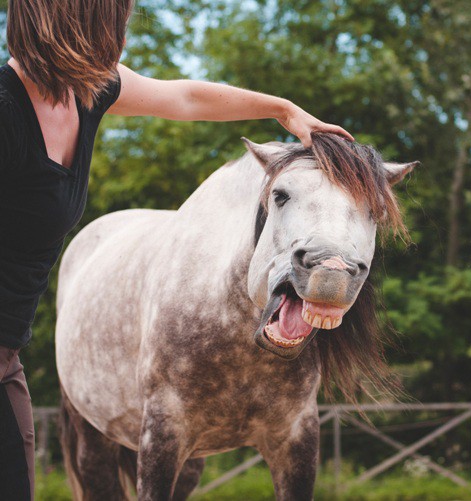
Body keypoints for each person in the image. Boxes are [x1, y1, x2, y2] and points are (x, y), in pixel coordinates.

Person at [0, 0, 354, 499]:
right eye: (113, 22)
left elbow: (185, 98)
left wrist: (283, 109)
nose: (121, 37)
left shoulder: (86, 93)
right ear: (74, 25)